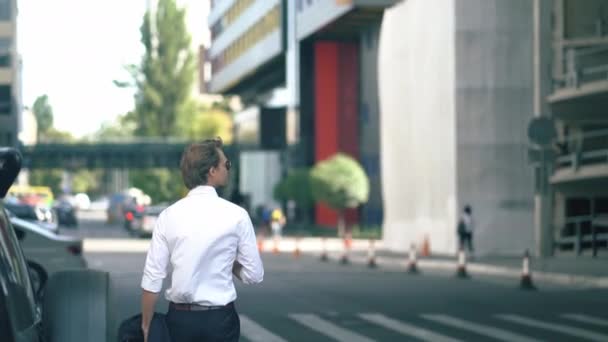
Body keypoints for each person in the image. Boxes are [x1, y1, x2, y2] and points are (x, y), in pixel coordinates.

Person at [140, 137, 264, 342]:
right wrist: (231, 264)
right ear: (212, 171)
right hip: (220, 320)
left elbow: (152, 279)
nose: (228, 168)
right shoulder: (237, 215)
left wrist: (146, 325)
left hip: (180, 321)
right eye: (226, 164)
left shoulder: (168, 216)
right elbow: (254, 274)